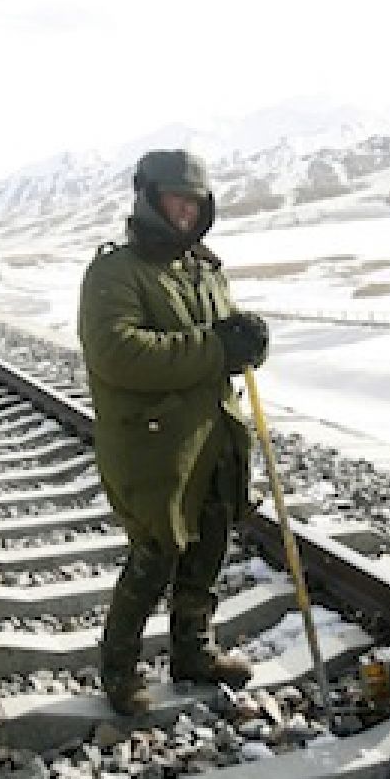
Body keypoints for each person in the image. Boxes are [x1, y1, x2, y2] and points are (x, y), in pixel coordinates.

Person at [77, 149, 270, 716]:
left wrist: (243, 341)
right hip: (153, 446)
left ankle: (194, 651)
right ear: (149, 198)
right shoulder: (115, 272)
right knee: (155, 553)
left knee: (210, 543)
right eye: (175, 200)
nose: (184, 213)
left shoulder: (204, 267)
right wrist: (216, 348)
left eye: (194, 203)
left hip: (214, 436)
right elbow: (120, 354)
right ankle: (119, 670)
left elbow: (218, 336)